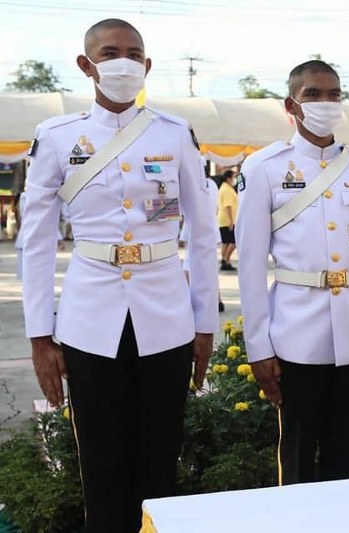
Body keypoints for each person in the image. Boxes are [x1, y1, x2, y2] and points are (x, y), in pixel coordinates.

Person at [22, 19, 218, 533]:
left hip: (166, 319)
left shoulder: (174, 133)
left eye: (134, 53)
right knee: (101, 468)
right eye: (110, 53)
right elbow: (37, 240)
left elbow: (202, 235)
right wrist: (40, 335)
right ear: (86, 65)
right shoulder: (57, 137)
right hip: (90, 321)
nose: (123, 63)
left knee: (161, 462)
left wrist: (204, 324)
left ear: (147, 65)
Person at [236, 60, 349, 485]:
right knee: (298, 452)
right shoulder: (264, 167)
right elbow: (250, 265)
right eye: (313, 95)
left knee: (346, 451)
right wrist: (258, 347)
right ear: (291, 105)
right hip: (295, 331)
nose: (326, 103)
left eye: (334, 95)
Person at [181, 174, 225, 312]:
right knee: (210, 265)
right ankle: (217, 299)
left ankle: (183, 298)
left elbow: (186, 210)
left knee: (188, 264)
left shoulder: (193, 182)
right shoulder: (213, 185)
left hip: (195, 228)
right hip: (211, 228)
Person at [218, 169, 238, 271]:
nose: (235, 179)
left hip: (224, 220)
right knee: (233, 241)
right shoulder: (227, 190)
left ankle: (226, 261)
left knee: (226, 242)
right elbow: (228, 206)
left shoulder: (226, 188)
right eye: (234, 177)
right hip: (228, 220)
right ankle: (225, 259)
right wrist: (231, 221)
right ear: (228, 178)